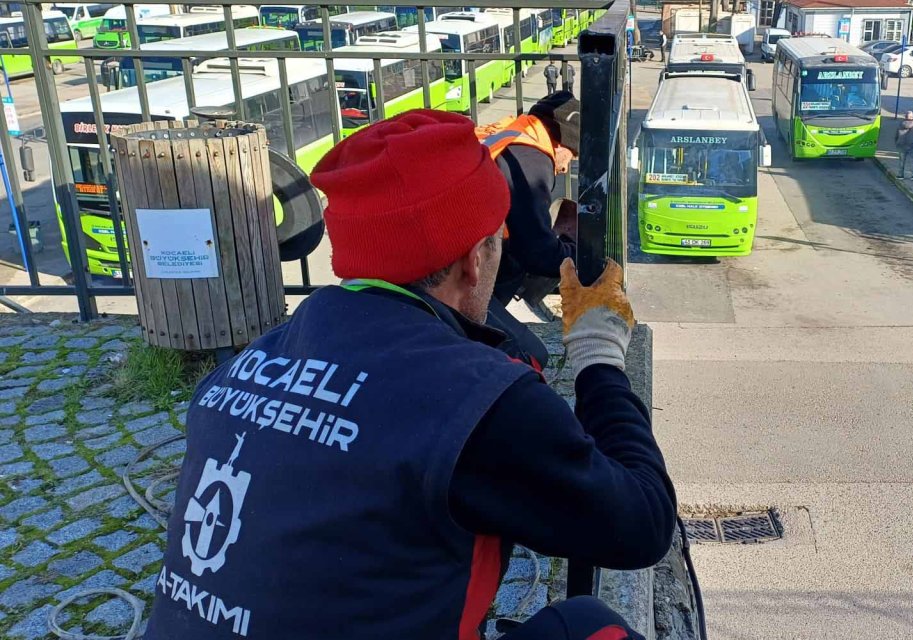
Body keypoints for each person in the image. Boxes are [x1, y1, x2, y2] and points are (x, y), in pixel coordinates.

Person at [143, 110, 674, 640]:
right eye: (496, 240)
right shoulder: (477, 399)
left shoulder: (242, 367)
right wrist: (598, 349)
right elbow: (644, 523)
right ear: (475, 259)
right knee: (591, 627)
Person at [482, 91, 581, 343]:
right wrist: (580, 255)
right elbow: (538, 254)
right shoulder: (531, 161)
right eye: (571, 156)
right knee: (526, 347)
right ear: (561, 142)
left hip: (445, 246)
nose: (565, 167)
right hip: (457, 270)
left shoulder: (513, 133)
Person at [896, 110, 913, 180]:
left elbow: (897, 134)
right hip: (912, 145)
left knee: (901, 161)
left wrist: (897, 142)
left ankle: (900, 175)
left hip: (902, 145)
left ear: (905, 116)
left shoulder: (901, 123)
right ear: (912, 117)